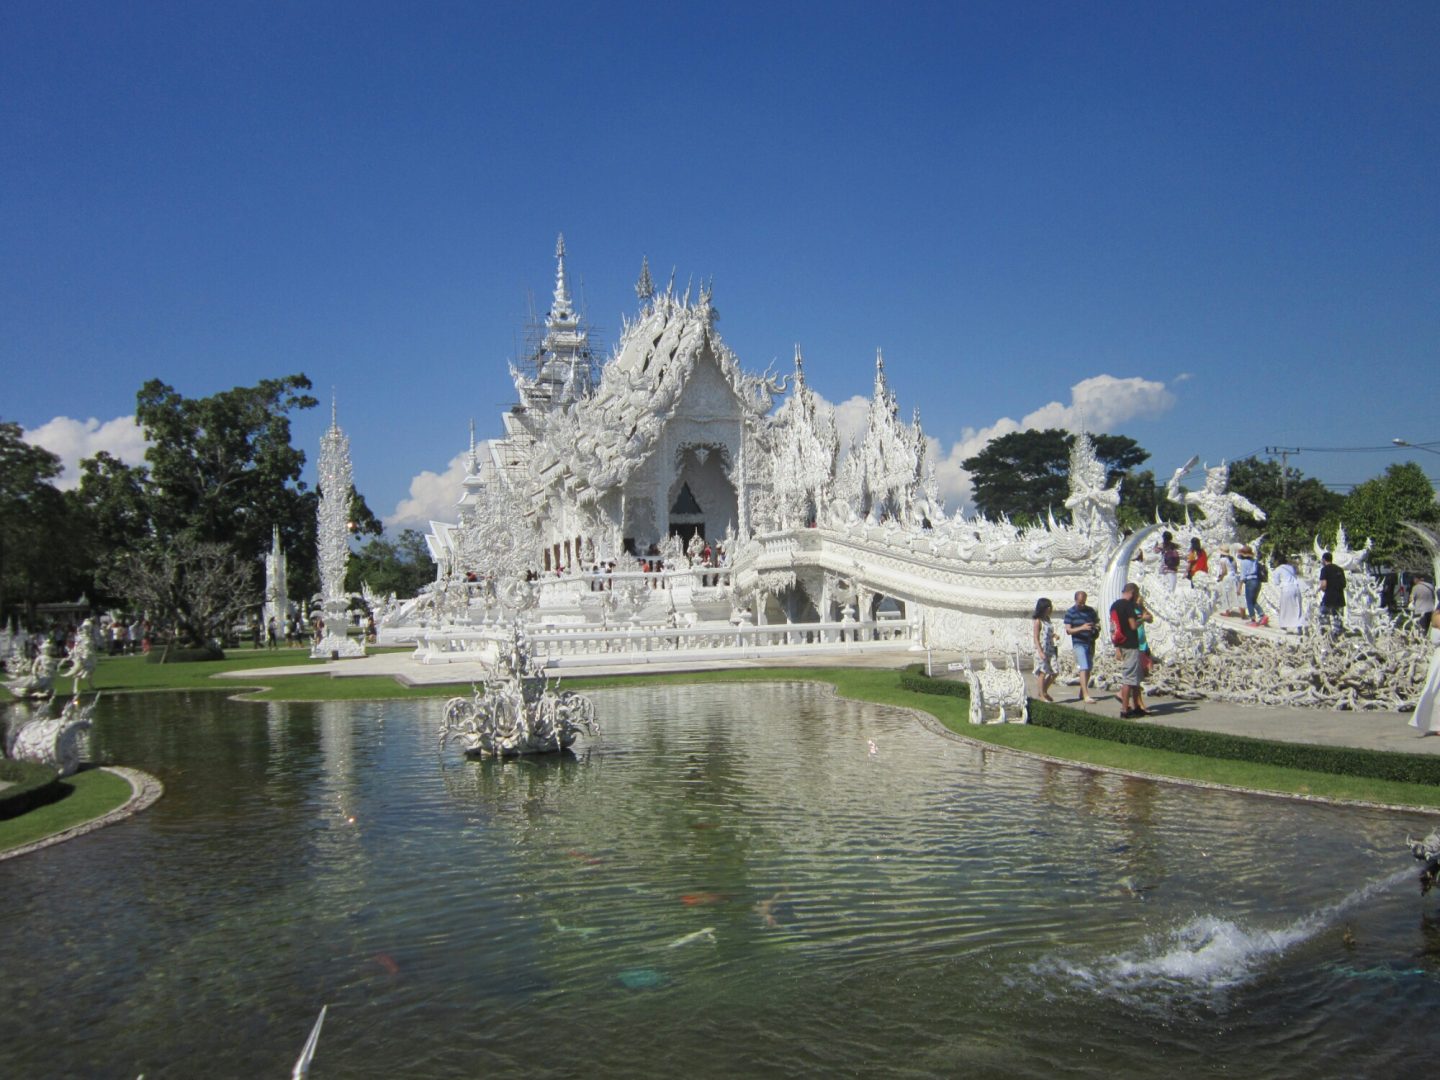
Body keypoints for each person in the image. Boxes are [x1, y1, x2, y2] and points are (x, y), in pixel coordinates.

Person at [1109, 583, 1152, 719]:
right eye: (1136, 594)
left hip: (1121, 644)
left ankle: (1137, 706)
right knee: (1129, 679)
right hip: (1131, 644)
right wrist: (1142, 619)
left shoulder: (1115, 605)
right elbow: (1133, 625)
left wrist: (1116, 646)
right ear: (1132, 593)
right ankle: (1124, 709)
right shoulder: (1128, 606)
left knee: (1135, 678)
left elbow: (1113, 628)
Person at [1062, 590, 1099, 704]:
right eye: (1080, 603)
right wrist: (1082, 628)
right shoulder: (1070, 612)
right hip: (1078, 642)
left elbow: (1097, 623)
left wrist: (1096, 629)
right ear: (1075, 600)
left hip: (1090, 641)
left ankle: (1082, 691)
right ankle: (1086, 694)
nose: (1082, 605)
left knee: (1088, 668)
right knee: (1083, 666)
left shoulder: (1090, 611)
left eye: (1083, 602)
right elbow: (1068, 630)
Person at [1031, 597, 1058, 702]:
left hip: (1050, 649)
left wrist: (1054, 636)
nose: (1050, 609)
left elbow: (1048, 633)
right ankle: (1042, 695)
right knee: (1042, 673)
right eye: (1048, 607)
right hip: (1042, 650)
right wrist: (1040, 651)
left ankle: (1044, 690)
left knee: (1055, 672)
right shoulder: (1038, 621)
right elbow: (1036, 637)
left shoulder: (1048, 620)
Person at [1317, 551, 1346, 638]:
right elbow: (1344, 584)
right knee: (1338, 617)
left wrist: (1320, 589)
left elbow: (1324, 584)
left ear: (1324, 560)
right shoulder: (1340, 569)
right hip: (1340, 597)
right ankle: (1337, 635)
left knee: (1323, 615)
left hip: (1329, 597)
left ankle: (1326, 635)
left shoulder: (1324, 569)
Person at [1238, 545, 1267, 626]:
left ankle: (1253, 620)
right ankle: (1262, 615)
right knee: (1254, 600)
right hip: (1257, 581)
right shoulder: (1254, 561)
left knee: (1249, 601)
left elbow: (1243, 576)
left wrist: (1239, 587)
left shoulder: (1244, 562)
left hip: (1250, 581)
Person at [1275, 555, 1305, 633]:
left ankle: (1284, 625)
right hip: (1296, 588)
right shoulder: (1291, 568)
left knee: (1285, 608)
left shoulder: (1278, 569)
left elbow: (1276, 582)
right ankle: (1299, 626)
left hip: (1286, 589)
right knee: (1297, 607)